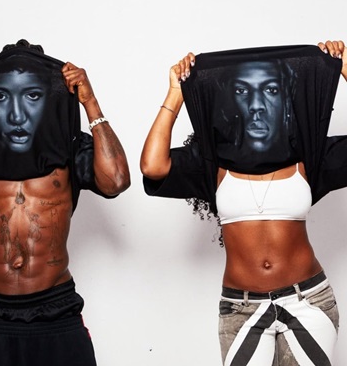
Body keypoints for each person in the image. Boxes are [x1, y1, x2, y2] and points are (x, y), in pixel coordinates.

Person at [140, 40, 347, 365]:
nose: (257, 104)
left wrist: (344, 69)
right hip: (242, 309)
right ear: (228, 102)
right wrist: (176, 94)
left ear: (286, 100)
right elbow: (152, 166)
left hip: (307, 300)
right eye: (241, 91)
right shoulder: (211, 161)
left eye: (271, 90)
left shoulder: (308, 155)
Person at [0, 39, 131, 366]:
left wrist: (90, 102)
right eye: (2, 96)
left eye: (32, 96)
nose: (17, 113)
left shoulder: (70, 147)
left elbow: (116, 180)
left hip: (56, 310)